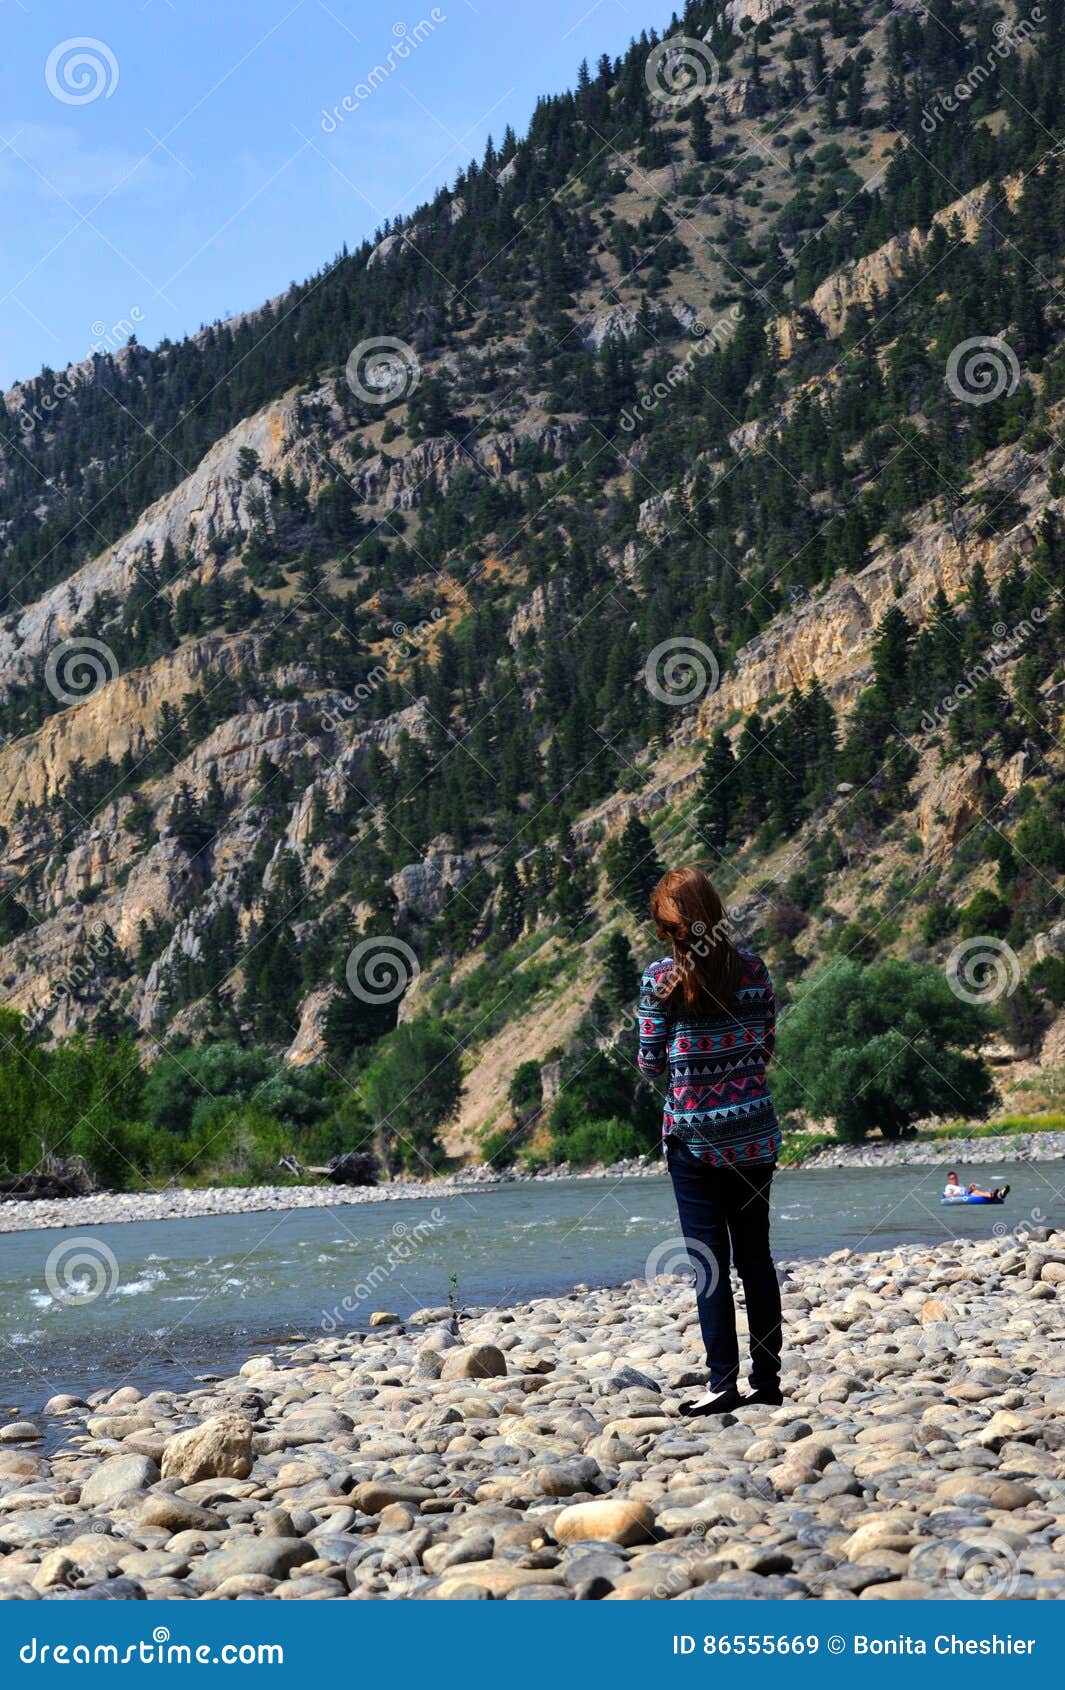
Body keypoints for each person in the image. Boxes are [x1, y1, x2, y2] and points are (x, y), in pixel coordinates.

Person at [638, 865, 782, 1416]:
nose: (667, 941)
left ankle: (723, 1383)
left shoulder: (660, 981)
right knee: (755, 1259)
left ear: (674, 928)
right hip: (752, 1136)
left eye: (667, 929)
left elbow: (651, 1064)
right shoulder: (754, 969)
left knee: (709, 1263)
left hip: (694, 1143)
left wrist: (668, 1010)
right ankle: (766, 1381)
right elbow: (764, 1048)